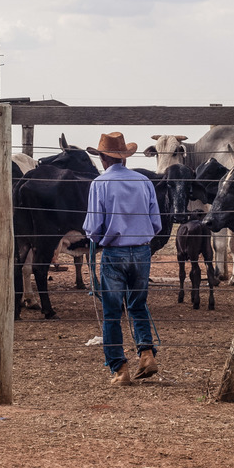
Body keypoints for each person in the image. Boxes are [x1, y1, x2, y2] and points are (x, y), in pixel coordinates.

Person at [83, 132, 162, 386]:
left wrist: (99, 236)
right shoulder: (144, 181)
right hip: (141, 251)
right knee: (138, 305)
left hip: (114, 252)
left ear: (104, 159)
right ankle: (147, 354)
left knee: (112, 312)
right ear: (124, 158)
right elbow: (156, 223)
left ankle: (120, 369)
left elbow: (93, 227)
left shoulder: (99, 184)